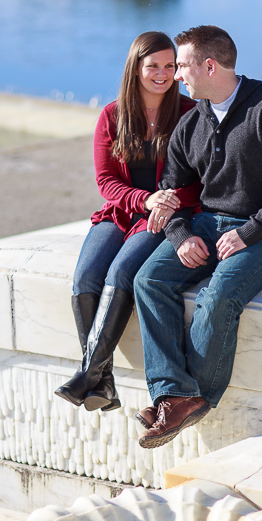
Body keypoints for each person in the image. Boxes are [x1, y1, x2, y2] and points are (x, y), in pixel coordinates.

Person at [133, 25, 262, 449]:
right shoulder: (190, 122)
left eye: (182, 66)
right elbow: (172, 188)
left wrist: (250, 233)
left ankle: (191, 398)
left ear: (209, 65)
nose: (177, 75)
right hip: (207, 225)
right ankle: (172, 393)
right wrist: (179, 235)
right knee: (148, 279)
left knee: (218, 296)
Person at [55, 31, 199, 412]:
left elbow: (199, 182)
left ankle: (89, 375)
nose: (163, 74)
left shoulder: (189, 113)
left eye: (171, 66)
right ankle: (102, 382)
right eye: (153, 66)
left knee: (121, 274)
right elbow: (106, 182)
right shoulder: (111, 115)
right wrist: (144, 198)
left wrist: (166, 203)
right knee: (85, 276)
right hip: (120, 213)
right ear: (136, 68)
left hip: (160, 220)